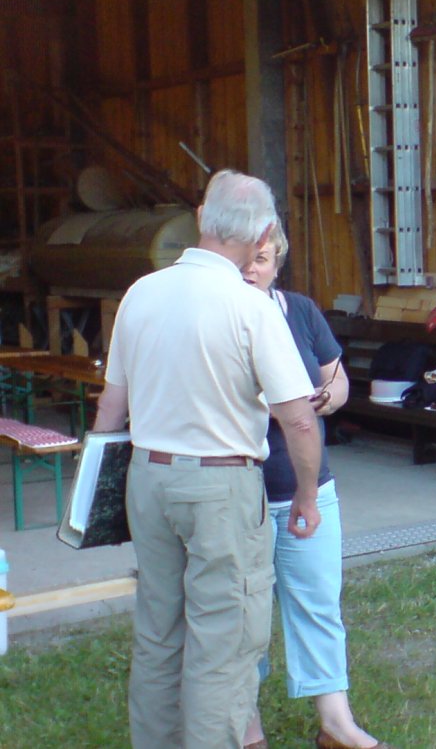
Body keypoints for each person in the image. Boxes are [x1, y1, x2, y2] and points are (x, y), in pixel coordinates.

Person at [93, 170, 324, 748]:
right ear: (264, 231)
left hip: (148, 479)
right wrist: (306, 494)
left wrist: (91, 489)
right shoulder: (251, 307)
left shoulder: (140, 293)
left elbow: (111, 407)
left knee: (158, 633)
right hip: (222, 487)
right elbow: (297, 416)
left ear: (200, 217)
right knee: (223, 642)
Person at [240, 226, 387, 749]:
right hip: (240, 494)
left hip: (308, 485)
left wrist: (329, 397)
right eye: (245, 258)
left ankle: (336, 724)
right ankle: (246, 725)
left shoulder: (299, 311)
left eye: (262, 258)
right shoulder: (220, 316)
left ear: (278, 260)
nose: (251, 268)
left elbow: (339, 378)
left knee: (319, 605)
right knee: (244, 614)